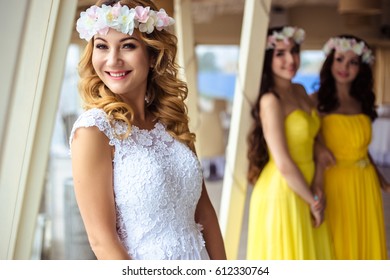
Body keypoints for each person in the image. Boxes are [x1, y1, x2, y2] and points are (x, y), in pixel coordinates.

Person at [69, 0, 226, 260]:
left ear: (153, 55)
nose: (113, 60)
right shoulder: (93, 131)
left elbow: (204, 213)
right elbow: (101, 241)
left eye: (128, 45)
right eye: (101, 46)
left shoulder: (172, 119)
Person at [246, 26, 334, 260]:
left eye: (294, 51)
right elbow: (283, 162)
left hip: (308, 183)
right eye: (280, 54)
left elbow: (317, 143)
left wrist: (318, 183)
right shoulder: (270, 101)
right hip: (284, 190)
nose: (291, 59)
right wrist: (314, 201)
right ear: (268, 60)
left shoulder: (301, 90)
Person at [311, 34, 389, 259]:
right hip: (333, 181)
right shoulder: (316, 100)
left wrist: (382, 180)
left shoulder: (363, 102)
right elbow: (306, 137)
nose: (345, 67)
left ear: (361, 68)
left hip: (365, 183)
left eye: (353, 62)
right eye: (340, 59)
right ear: (330, 62)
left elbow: (362, 149)